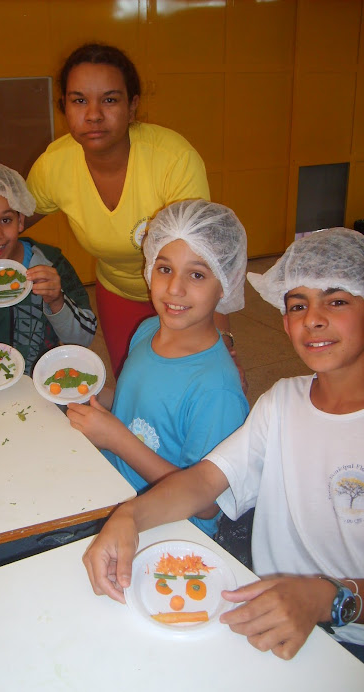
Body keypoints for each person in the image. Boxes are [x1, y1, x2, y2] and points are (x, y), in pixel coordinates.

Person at [82, 227, 364, 662]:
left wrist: (330, 599)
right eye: (298, 304)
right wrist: (130, 516)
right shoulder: (282, 402)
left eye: (338, 301)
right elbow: (203, 482)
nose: (314, 318)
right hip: (259, 613)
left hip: (349, 638)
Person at [26, 43, 240, 377]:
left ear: (132, 106)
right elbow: (8, 222)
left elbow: (208, 256)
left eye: (110, 99)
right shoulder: (55, 163)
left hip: (184, 292)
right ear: (64, 106)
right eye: (79, 100)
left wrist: (224, 342)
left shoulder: (172, 159)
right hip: (120, 292)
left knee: (188, 380)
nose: (94, 114)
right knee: (131, 381)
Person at [67, 199, 249, 538]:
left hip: (172, 531)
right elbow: (137, 406)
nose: (174, 289)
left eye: (197, 274)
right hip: (112, 488)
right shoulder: (148, 329)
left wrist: (116, 440)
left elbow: (207, 505)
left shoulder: (216, 390)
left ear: (226, 282)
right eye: (165, 268)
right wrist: (84, 395)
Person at [0, 161, 97, 375]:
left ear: (21, 221)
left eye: (6, 220)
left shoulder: (49, 262)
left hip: (41, 381)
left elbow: (84, 338)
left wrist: (57, 301)